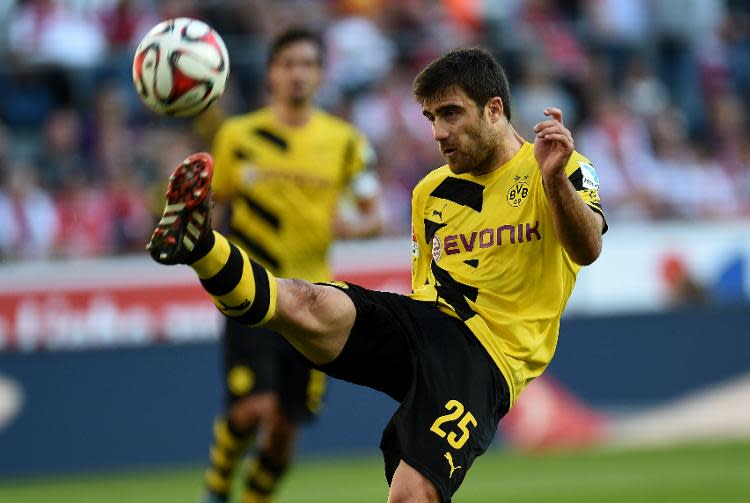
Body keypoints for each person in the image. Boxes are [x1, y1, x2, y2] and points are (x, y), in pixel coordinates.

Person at [148, 48, 607, 503]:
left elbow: (587, 250)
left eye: (450, 114)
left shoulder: (560, 165)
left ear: (494, 110)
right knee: (307, 303)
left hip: (488, 360)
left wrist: (553, 183)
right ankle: (200, 246)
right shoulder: (429, 191)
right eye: (430, 118)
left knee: (409, 496)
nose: (438, 133)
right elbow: (425, 286)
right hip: (428, 325)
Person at [196, 28, 383, 503]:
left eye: (307, 64)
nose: (297, 73)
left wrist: (350, 227)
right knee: (252, 409)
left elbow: (373, 214)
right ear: (271, 74)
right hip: (252, 290)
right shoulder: (237, 136)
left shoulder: (345, 141)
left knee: (284, 428)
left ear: (319, 75)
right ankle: (217, 488)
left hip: (312, 298)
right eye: (287, 64)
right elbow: (216, 212)